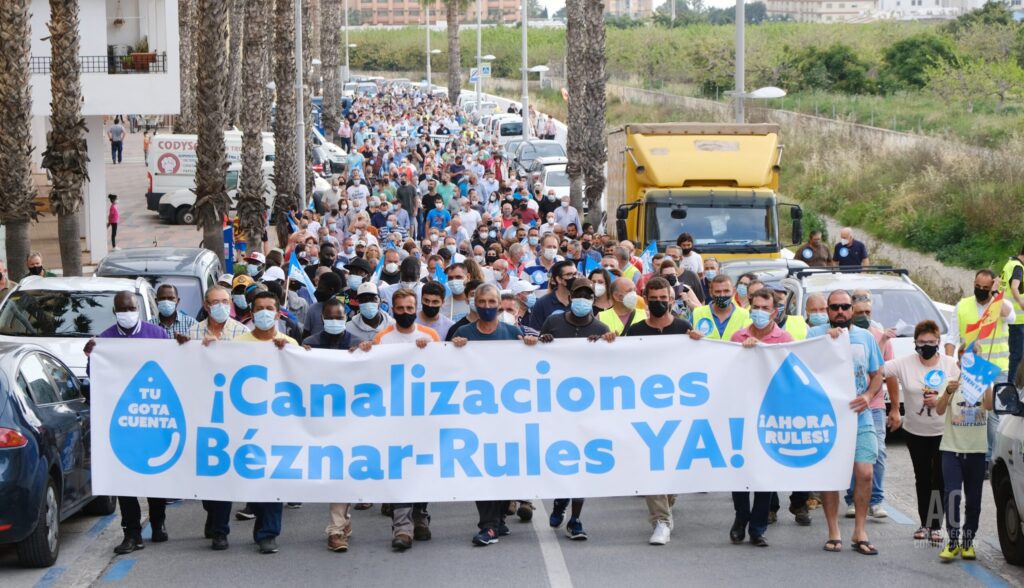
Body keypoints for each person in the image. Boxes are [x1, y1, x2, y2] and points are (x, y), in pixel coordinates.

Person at [451, 284, 540, 546]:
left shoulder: (512, 333)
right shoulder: (463, 333)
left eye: (492, 302)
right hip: (476, 414)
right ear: (475, 303)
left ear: (499, 305)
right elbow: (449, 367)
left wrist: (530, 345)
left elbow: (527, 366)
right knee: (483, 467)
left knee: (505, 466)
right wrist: (454, 348)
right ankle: (488, 525)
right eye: (483, 302)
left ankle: (499, 518)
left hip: (508, 414)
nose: (487, 306)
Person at [83, 291, 170, 554]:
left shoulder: (158, 335)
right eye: (122, 309)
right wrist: (91, 356)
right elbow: (96, 377)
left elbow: (173, 369)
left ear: (138, 309)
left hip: (152, 417)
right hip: (122, 421)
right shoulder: (105, 340)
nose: (127, 313)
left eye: (131, 308)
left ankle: (158, 522)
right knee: (123, 479)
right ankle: (132, 533)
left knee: (154, 476)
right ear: (115, 312)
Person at [538, 277, 615, 541]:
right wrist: (543, 341)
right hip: (557, 405)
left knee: (583, 463)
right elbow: (537, 356)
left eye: (588, 296)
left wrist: (605, 344)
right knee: (563, 457)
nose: (583, 300)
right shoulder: (554, 323)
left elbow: (609, 365)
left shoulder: (601, 327)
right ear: (570, 298)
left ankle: (576, 519)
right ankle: (561, 500)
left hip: (588, 407)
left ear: (594, 300)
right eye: (579, 295)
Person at [621, 277, 691, 545]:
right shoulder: (636, 330)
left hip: (679, 407)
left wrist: (699, 341)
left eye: (664, 299)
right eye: (654, 299)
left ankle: (667, 504)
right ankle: (660, 520)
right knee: (651, 463)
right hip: (646, 409)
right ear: (645, 301)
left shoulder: (684, 328)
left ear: (671, 300)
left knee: (674, 464)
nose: (659, 303)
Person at [811, 290, 882, 556]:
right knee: (831, 475)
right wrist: (823, 344)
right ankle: (833, 531)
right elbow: (801, 367)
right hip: (827, 418)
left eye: (844, 307)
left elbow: (878, 374)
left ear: (851, 310)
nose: (840, 311)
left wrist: (868, 396)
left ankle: (860, 531)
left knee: (865, 473)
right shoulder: (814, 335)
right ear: (827, 311)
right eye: (834, 307)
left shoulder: (866, 338)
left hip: (860, 415)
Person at [727, 288, 795, 548]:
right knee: (741, 468)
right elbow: (725, 370)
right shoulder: (738, 336)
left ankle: (758, 527)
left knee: (766, 471)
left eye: (765, 308)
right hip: (742, 412)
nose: (760, 312)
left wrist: (763, 350)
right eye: (756, 307)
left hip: (771, 415)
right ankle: (740, 518)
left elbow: (789, 372)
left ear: (774, 312)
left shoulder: (784, 338)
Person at [232, 291, 297, 554]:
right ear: (251, 312)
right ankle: (258, 512)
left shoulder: (289, 343)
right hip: (245, 421)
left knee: (272, 477)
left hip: (277, 423)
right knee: (251, 476)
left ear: (278, 313)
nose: (264, 312)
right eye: (259, 308)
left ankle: (267, 533)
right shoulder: (238, 345)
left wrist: (294, 353)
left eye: (269, 308)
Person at [883, 319, 959, 544]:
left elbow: (960, 392)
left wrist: (941, 398)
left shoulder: (949, 364)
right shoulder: (905, 363)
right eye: (922, 342)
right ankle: (924, 523)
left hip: (942, 431)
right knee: (922, 477)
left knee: (940, 478)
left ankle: (935, 525)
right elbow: (878, 367)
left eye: (931, 342)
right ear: (915, 343)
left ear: (938, 343)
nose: (926, 346)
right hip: (915, 431)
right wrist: (882, 340)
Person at [946, 269, 1014, 476]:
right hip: (973, 368)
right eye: (978, 286)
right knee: (976, 414)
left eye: (985, 287)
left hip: (998, 368)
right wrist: (948, 363)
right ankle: (977, 455)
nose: (981, 290)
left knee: (994, 415)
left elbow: (1010, 316)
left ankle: (991, 460)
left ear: (992, 286)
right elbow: (952, 337)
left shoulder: (1000, 304)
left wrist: (996, 296)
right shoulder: (962, 305)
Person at [935, 349, 993, 562]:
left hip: (976, 452)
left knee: (974, 500)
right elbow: (939, 410)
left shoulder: (985, 383)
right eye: (966, 360)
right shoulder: (951, 383)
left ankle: (967, 542)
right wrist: (947, 392)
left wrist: (986, 384)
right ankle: (952, 542)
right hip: (952, 450)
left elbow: (989, 406)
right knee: (952, 495)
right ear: (959, 363)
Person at [690, 275, 749, 341]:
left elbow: (751, 338)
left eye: (726, 291)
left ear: (733, 291)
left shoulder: (745, 315)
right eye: (718, 292)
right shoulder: (697, 313)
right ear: (710, 292)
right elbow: (686, 337)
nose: (722, 295)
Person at [999, 245, 1024, 383]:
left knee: (1015, 353)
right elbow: (1014, 287)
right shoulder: (1018, 268)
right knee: (1017, 355)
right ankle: (1011, 385)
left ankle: (1012, 383)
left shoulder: (1009, 264)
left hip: (1008, 316)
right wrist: (1021, 303)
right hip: (1018, 319)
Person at [528, 260, 575, 331]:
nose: (574, 277)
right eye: (569, 275)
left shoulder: (581, 301)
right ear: (559, 279)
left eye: (575, 274)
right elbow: (534, 332)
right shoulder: (542, 303)